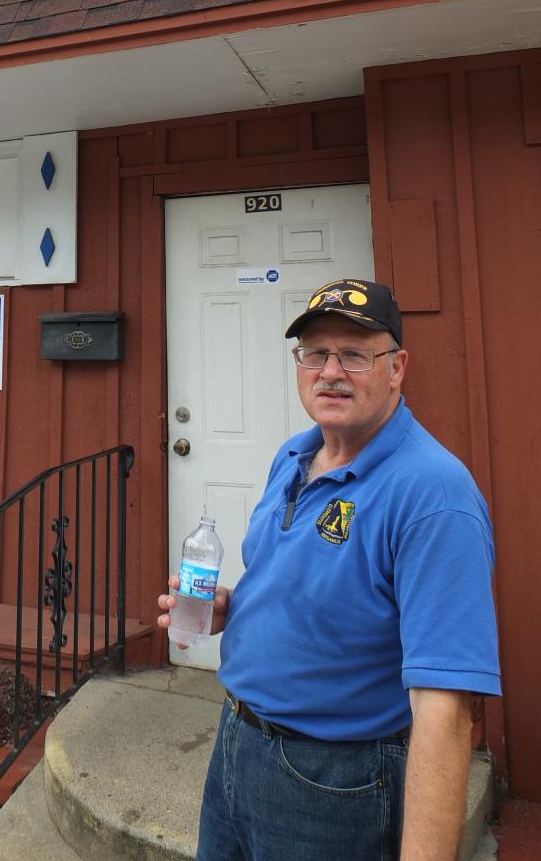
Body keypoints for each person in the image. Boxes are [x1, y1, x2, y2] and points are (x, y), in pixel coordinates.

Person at [158, 278, 500, 861]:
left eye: (355, 355)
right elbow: (314, 585)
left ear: (397, 368)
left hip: (335, 780)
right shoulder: (294, 455)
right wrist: (235, 610)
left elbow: (445, 712)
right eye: (315, 353)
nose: (330, 371)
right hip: (237, 742)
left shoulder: (433, 496)